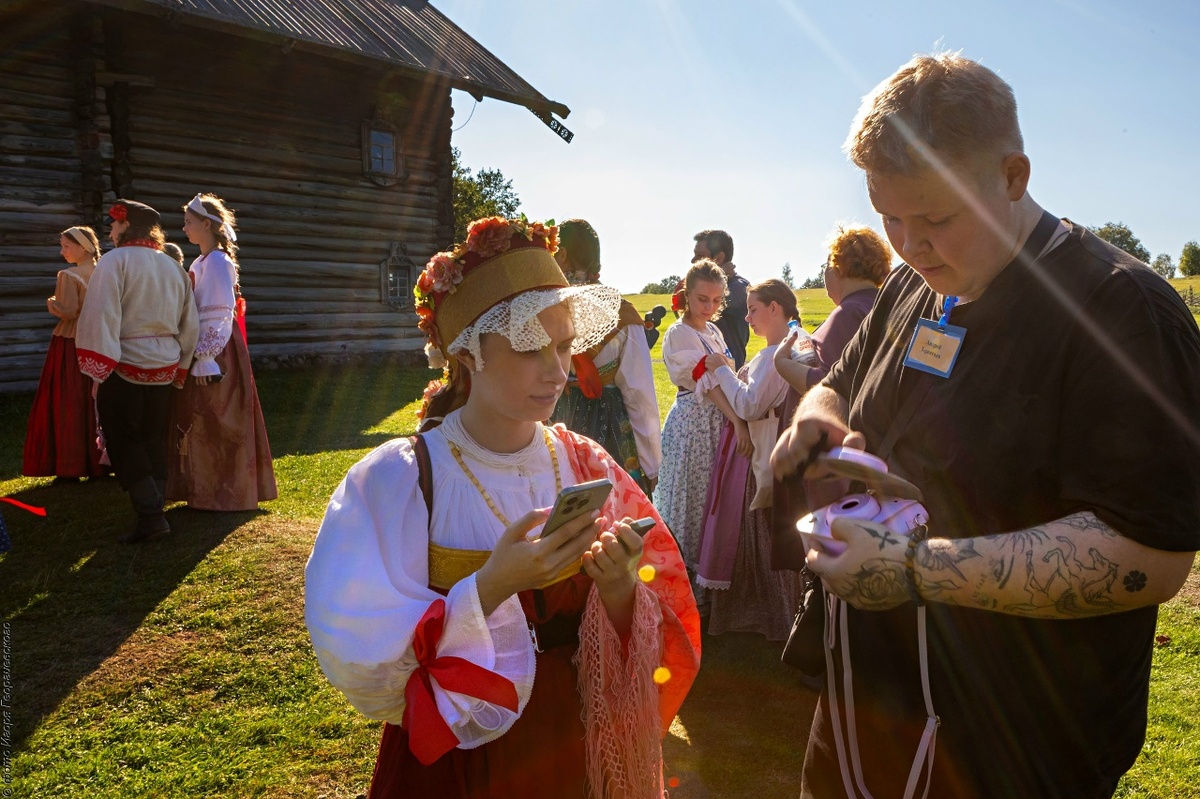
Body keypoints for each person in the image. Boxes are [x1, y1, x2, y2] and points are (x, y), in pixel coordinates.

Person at [770, 53, 1200, 799]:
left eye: (936, 217)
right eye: (888, 215)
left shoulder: (1121, 312)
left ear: (1013, 177)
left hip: (1016, 751)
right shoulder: (908, 283)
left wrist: (911, 570)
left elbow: (1153, 557)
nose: (908, 243)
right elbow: (835, 385)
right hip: (861, 716)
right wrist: (816, 423)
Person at [305, 216, 701, 799]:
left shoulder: (586, 465)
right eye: (529, 348)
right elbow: (359, 643)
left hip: (570, 743)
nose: (557, 370)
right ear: (469, 353)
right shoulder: (403, 479)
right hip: (461, 754)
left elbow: (654, 626)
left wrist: (617, 587)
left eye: (565, 346)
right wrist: (491, 585)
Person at [76, 200, 198, 543]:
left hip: (123, 362)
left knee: (123, 437)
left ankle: (151, 515)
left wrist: (100, 366)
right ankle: (154, 508)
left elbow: (102, 315)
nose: (110, 232)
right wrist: (182, 364)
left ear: (127, 226)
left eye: (114, 226)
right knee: (153, 436)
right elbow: (190, 324)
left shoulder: (115, 261)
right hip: (164, 363)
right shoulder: (172, 267)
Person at [695, 279, 809, 640]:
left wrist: (721, 368)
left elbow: (748, 405)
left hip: (762, 452)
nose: (747, 317)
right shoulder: (790, 347)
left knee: (762, 533)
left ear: (775, 308)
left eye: (753, 309)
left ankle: (774, 616)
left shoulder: (777, 355)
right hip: (769, 448)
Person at [166, 193, 276, 511]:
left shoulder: (215, 261)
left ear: (206, 224)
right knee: (206, 419)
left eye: (188, 222)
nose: (184, 228)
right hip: (207, 347)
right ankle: (209, 490)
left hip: (217, 350)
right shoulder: (202, 261)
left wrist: (206, 357)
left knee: (217, 416)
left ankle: (225, 492)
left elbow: (219, 311)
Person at [550, 218, 662, 494]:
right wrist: (651, 466)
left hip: (556, 423)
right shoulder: (622, 314)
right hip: (611, 430)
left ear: (562, 255)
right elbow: (640, 396)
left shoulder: (544, 310)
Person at [653, 259, 733, 576]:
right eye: (703, 299)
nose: (709, 307)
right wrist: (737, 421)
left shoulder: (713, 330)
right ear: (687, 295)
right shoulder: (679, 333)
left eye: (715, 301)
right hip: (692, 425)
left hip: (716, 422)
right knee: (688, 496)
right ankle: (681, 579)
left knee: (710, 498)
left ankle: (708, 574)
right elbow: (708, 383)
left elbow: (724, 375)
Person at [22, 226, 107, 481]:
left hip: (70, 342)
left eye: (66, 246)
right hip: (98, 340)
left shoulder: (68, 275)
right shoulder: (103, 271)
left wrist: (52, 303)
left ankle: (69, 464)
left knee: (66, 399)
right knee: (93, 399)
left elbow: (68, 310)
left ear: (83, 247)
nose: (62, 251)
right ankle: (98, 461)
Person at [694, 229, 750, 368]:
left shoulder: (739, 287)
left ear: (718, 258)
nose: (693, 260)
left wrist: (721, 276)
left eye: (700, 255)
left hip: (726, 377)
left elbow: (704, 308)